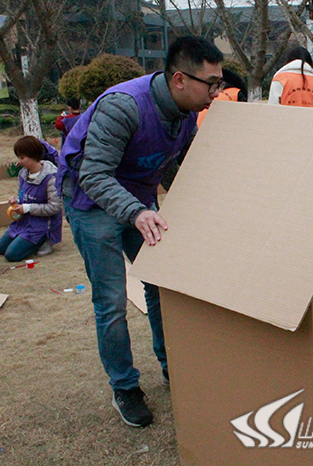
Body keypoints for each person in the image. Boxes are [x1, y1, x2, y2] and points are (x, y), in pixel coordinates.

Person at [56, 36, 224, 428]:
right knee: (112, 300)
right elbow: (94, 174)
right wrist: (135, 212)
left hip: (139, 199)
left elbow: (178, 167)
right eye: (211, 84)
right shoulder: (124, 106)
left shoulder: (186, 113)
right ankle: (125, 387)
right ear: (180, 79)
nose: (216, 93)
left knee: (162, 284)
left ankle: (172, 365)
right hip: (91, 202)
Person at [0, 136, 62, 262]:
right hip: (23, 222)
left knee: (11, 255)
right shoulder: (23, 174)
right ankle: (23, 240)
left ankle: (45, 240)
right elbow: (23, 196)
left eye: (22, 158)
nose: (19, 161)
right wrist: (16, 201)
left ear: (33, 156)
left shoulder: (51, 178)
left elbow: (54, 207)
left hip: (41, 225)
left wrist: (27, 208)